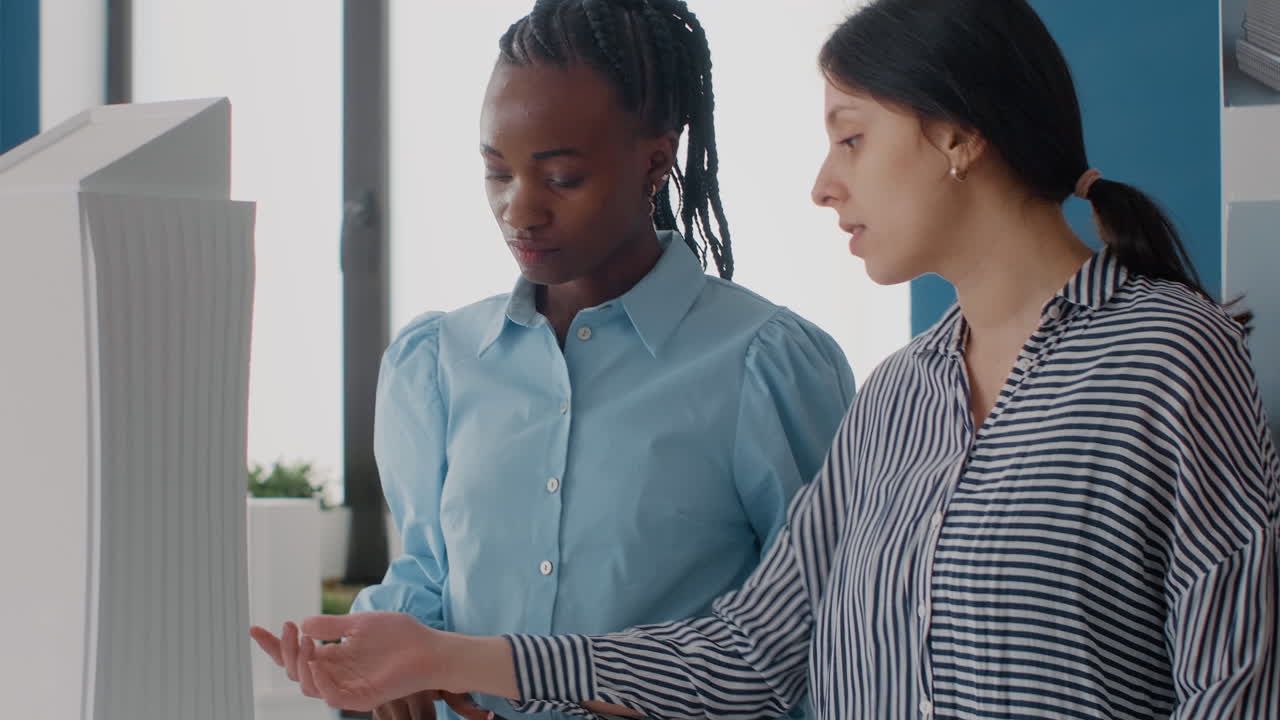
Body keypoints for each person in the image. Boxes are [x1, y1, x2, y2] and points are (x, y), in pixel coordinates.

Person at [263, 0, 1280, 718]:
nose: (820, 186)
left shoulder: (1163, 356)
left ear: (955, 136)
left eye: (848, 138)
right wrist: (443, 654)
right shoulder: (898, 398)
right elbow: (747, 651)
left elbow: (1236, 683)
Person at [251, 1, 855, 719]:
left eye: (561, 178)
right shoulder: (437, 363)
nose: (519, 210)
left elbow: (816, 638)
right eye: (496, 173)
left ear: (655, 161)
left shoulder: (768, 365)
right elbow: (424, 574)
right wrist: (383, 666)